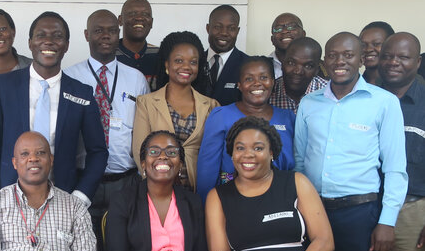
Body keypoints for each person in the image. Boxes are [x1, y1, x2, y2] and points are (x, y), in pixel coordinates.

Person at [294, 32, 408, 251]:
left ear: (361, 59)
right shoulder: (309, 102)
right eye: (333, 55)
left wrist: (386, 221)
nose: (340, 61)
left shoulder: (383, 103)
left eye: (347, 55)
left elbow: (396, 168)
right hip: (315, 213)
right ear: (324, 61)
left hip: (361, 214)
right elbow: (300, 163)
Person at [64, 9, 149, 251]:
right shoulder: (69, 76)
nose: (105, 36)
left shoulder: (136, 79)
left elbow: (144, 130)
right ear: (87, 35)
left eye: (111, 31)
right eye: (98, 31)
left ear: (119, 34)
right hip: (80, 180)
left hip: (123, 181)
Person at [0, 11, 108, 207]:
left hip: (63, 199)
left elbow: (98, 151)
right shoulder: (2, 86)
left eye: (57, 36)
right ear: (30, 43)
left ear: (66, 46)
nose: (49, 41)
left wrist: (81, 197)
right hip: (9, 198)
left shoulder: (82, 93)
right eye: (41, 35)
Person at [206, 117, 334, 251]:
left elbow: (324, 242)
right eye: (240, 148)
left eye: (258, 148)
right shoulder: (218, 196)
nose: (248, 154)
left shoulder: (297, 182)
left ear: (272, 152)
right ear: (232, 154)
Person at [105, 131, 211, 251]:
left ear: (180, 163)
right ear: (144, 163)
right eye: (154, 152)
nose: (163, 156)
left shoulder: (192, 202)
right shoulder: (123, 200)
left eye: (171, 152)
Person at [377, 32, 425, 251]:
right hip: (368, 207)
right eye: (388, 56)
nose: (394, 62)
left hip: (412, 210)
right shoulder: (365, 97)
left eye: (403, 57)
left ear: (417, 63)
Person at [197, 56, 295, 203]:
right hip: (233, 200)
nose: (257, 83)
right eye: (249, 79)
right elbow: (207, 170)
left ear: (273, 83)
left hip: (280, 200)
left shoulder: (287, 118)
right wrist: (206, 209)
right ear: (240, 85)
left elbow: (295, 167)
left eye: (263, 77)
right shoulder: (221, 116)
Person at [133, 31, 219, 193]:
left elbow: (216, 156)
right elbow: (140, 153)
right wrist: (156, 188)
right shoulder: (146, 103)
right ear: (167, 64)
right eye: (179, 60)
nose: (186, 66)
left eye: (193, 62)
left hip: (200, 190)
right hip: (158, 189)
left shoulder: (211, 106)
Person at [199, 5, 249, 105]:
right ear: (208, 28)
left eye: (231, 28)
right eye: (217, 27)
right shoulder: (195, 63)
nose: (224, 33)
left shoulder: (248, 65)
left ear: (237, 31)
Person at [269, 37, 328, 113]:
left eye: (308, 66)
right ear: (282, 64)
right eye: (291, 63)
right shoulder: (269, 92)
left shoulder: (329, 93)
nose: (298, 71)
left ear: (317, 70)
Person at [115, 0, 159, 90]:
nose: (139, 18)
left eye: (145, 14)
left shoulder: (161, 55)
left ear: (151, 22)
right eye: (132, 13)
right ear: (120, 20)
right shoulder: (108, 55)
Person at [269, 13, 306, 79]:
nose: (285, 31)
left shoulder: (318, 66)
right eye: (278, 29)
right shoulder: (263, 65)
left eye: (291, 27)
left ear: (303, 34)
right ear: (272, 40)